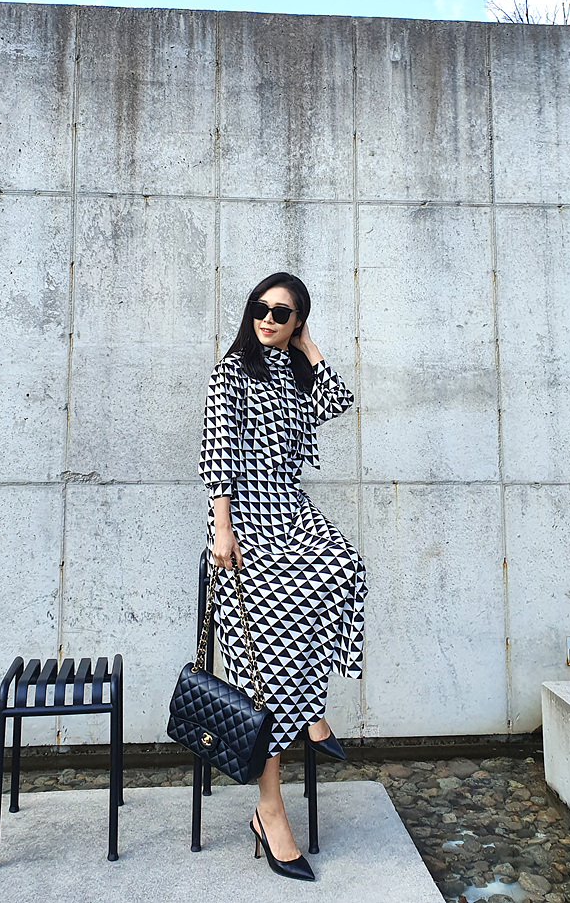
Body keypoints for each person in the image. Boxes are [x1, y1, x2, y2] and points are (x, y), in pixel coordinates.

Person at [199, 271, 368, 881]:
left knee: (344, 567)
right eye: (261, 309)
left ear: (297, 322)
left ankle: (309, 705)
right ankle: (270, 809)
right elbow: (217, 455)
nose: (268, 319)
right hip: (242, 521)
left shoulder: (294, 373)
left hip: (291, 510)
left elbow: (338, 401)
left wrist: (310, 348)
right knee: (268, 659)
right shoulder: (230, 372)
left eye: (282, 313)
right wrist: (222, 531)